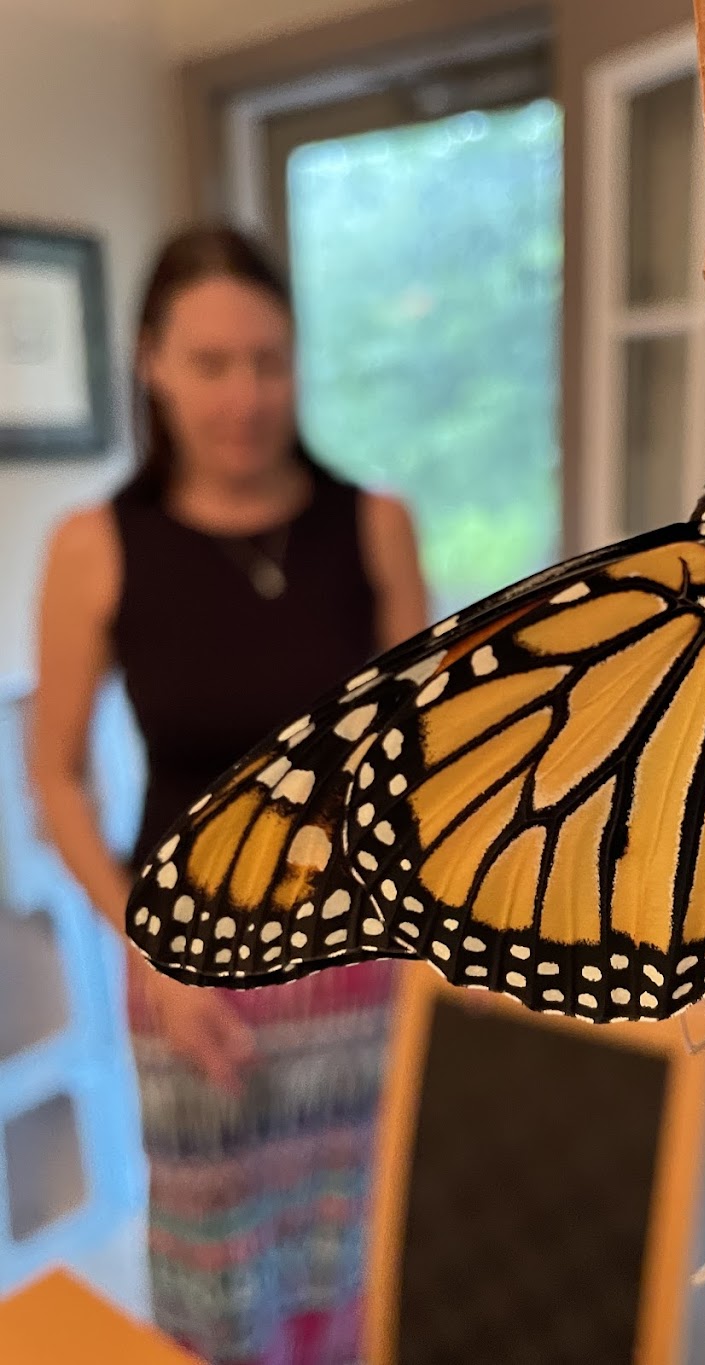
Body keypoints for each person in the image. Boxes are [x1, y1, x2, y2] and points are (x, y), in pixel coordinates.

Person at [31, 222, 428, 1364]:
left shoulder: (374, 528)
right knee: (216, 1281)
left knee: (354, 1259)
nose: (244, 395)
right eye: (210, 364)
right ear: (151, 361)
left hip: (359, 966)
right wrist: (146, 952)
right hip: (190, 974)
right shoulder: (94, 547)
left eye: (268, 361)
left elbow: (427, 764)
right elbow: (53, 775)